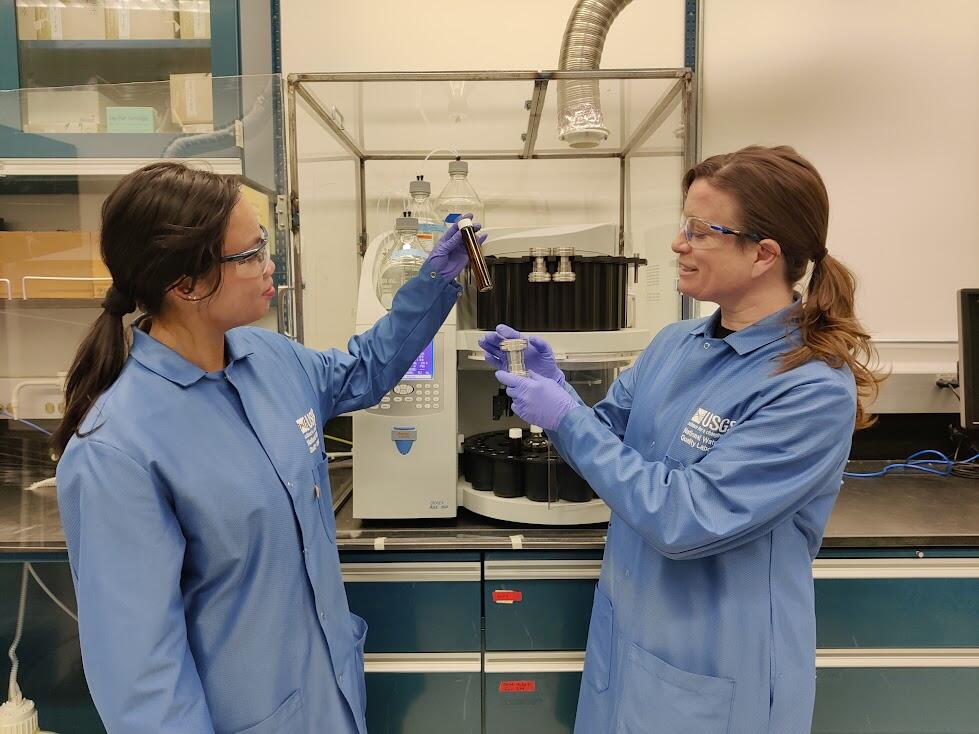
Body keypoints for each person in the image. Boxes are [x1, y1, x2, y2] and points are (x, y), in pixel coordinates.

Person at [53, 161, 482, 734]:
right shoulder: (117, 450)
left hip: (330, 706)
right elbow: (143, 687)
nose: (270, 264)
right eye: (251, 253)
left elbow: (363, 369)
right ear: (185, 283)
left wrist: (435, 280)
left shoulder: (269, 358)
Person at [481, 146, 884, 733]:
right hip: (627, 646)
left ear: (763, 254)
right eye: (683, 226)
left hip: (718, 673)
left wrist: (565, 416)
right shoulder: (676, 344)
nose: (678, 243)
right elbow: (604, 439)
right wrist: (557, 390)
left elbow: (685, 517)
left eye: (700, 231)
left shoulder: (811, 387)